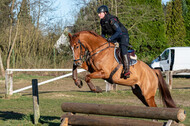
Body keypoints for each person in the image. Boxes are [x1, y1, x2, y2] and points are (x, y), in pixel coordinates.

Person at [97, 5, 130, 78]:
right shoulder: (102, 21)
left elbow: (119, 32)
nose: (99, 15)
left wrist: (110, 38)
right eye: (98, 13)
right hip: (115, 36)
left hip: (123, 35)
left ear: (105, 13)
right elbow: (103, 34)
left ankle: (127, 70)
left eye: (100, 13)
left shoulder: (111, 19)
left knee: (123, 48)